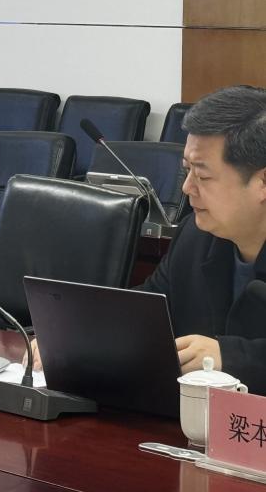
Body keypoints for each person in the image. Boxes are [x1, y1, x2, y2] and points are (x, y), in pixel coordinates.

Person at [26, 86, 266, 394]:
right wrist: (72, 332)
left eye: (203, 176)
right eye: (187, 170)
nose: (187, 188)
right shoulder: (196, 236)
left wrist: (231, 357)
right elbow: (148, 308)